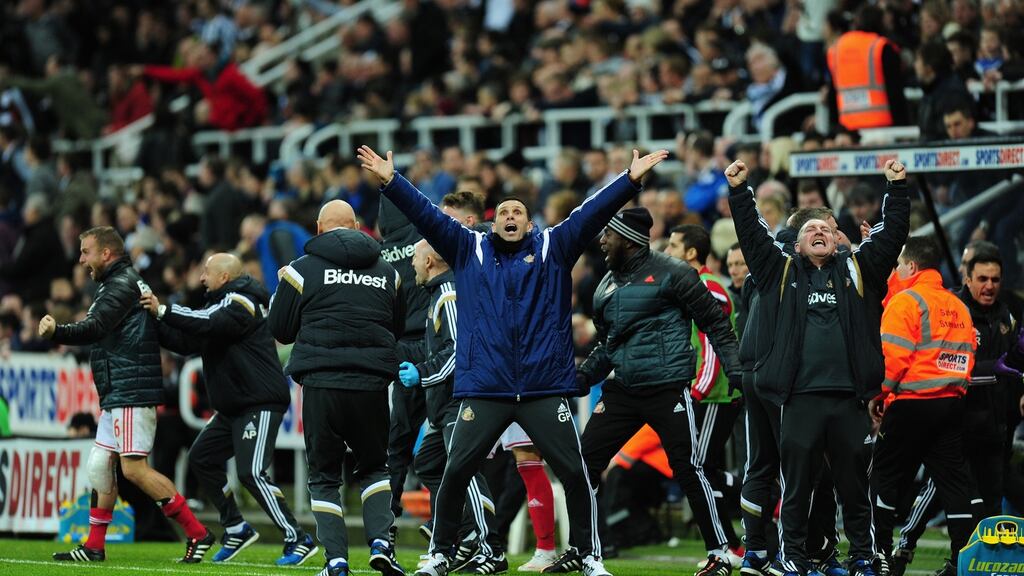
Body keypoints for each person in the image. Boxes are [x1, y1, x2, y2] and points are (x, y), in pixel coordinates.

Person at [357, 144, 671, 576]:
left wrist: (629, 179)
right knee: (454, 474)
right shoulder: (469, 249)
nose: (510, 216)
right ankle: (440, 553)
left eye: (518, 212)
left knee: (576, 474)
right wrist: (392, 181)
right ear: (494, 220)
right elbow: (426, 214)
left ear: (529, 221)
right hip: (486, 388)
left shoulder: (554, 247)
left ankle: (589, 556)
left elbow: (591, 213)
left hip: (543, 388)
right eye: (504, 210)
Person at [726, 157, 910, 576]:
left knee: (854, 488)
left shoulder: (859, 271)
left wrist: (896, 188)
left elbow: (893, 234)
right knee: (797, 488)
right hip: (799, 400)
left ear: (839, 239)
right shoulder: (779, 272)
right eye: (811, 229)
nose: (820, 232)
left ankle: (862, 555)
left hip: (849, 400)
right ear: (795, 243)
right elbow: (754, 237)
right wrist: (740, 192)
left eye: (826, 228)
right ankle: (793, 555)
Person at [573, 208, 741, 576]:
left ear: (628, 239)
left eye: (608, 235)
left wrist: (737, 371)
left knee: (690, 469)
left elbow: (715, 324)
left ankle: (721, 553)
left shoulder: (676, 273)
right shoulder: (605, 285)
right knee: (582, 466)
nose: (601, 242)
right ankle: (586, 553)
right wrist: (583, 378)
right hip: (622, 390)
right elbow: (608, 346)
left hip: (667, 389)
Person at [39, 226, 212, 563]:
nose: (81, 260)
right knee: (100, 468)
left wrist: (56, 332)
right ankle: (94, 546)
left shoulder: (119, 285)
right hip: (120, 391)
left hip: (131, 390)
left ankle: (197, 532)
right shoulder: (125, 284)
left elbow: (95, 327)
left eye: (86, 252)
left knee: (134, 470)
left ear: (106, 253)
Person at [140, 253, 317, 566]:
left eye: (207, 272)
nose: (202, 278)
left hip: (259, 402)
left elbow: (204, 322)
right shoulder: (221, 307)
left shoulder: (241, 302)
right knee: (201, 458)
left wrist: (164, 309)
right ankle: (235, 527)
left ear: (224, 277)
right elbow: (187, 341)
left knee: (251, 472)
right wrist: (153, 320)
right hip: (235, 407)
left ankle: (297, 537)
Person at [268, 200, 405, 576]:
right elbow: (395, 326)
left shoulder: (300, 270)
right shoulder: (388, 272)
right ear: (357, 226)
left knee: (325, 476)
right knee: (375, 468)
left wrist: (283, 289)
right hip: (371, 385)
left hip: (321, 383)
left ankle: (337, 561)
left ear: (318, 228)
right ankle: (381, 543)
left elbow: (279, 330)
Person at [440, 190, 558, 573]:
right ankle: (475, 543)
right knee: (463, 464)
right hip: (485, 379)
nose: (448, 224)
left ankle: (544, 547)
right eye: (503, 212)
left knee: (529, 459)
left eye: (517, 211)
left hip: (526, 376)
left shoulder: (537, 254)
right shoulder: (466, 257)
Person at [888, 242, 1017, 576]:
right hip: (956, 419)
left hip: (995, 425)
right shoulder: (953, 309)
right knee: (944, 490)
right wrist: (994, 369)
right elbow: (950, 367)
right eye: (983, 278)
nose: (989, 285)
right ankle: (905, 546)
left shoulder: (1007, 316)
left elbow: (1013, 365)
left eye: (995, 279)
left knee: (988, 502)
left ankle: (968, 563)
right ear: (968, 278)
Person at [871, 236, 978, 576]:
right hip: (951, 403)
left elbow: (893, 358)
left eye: (900, 265)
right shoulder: (959, 306)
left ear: (912, 267)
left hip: (911, 403)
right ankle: (963, 559)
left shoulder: (906, 301)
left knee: (884, 477)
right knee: (953, 483)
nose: (897, 270)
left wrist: (880, 396)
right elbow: (967, 355)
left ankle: (880, 555)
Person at [403, 238, 506, 574]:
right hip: (445, 403)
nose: (412, 265)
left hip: (460, 399)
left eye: (416, 258)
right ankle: (467, 531)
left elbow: (458, 351)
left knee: (465, 470)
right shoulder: (437, 295)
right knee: (430, 463)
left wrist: (422, 375)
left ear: (431, 260)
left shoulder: (448, 295)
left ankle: (491, 547)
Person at [665, 224, 744, 559]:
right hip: (708, 392)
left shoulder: (708, 288)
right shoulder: (698, 285)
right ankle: (749, 503)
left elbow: (714, 345)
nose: (667, 252)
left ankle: (732, 543)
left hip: (715, 394)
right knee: (701, 469)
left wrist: (697, 392)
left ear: (691, 253)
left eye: (672, 246)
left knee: (697, 468)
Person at [379, 180, 430, 541]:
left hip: (401, 350)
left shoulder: (377, 256)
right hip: (437, 342)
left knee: (399, 440)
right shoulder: (427, 235)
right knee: (453, 435)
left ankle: (386, 517)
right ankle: (465, 526)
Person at [827, 5, 908, 130]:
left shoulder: (838, 47)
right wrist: (903, 127)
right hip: (882, 127)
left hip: (847, 127)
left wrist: (834, 128)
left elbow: (833, 92)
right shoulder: (882, 47)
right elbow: (895, 92)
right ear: (880, 22)